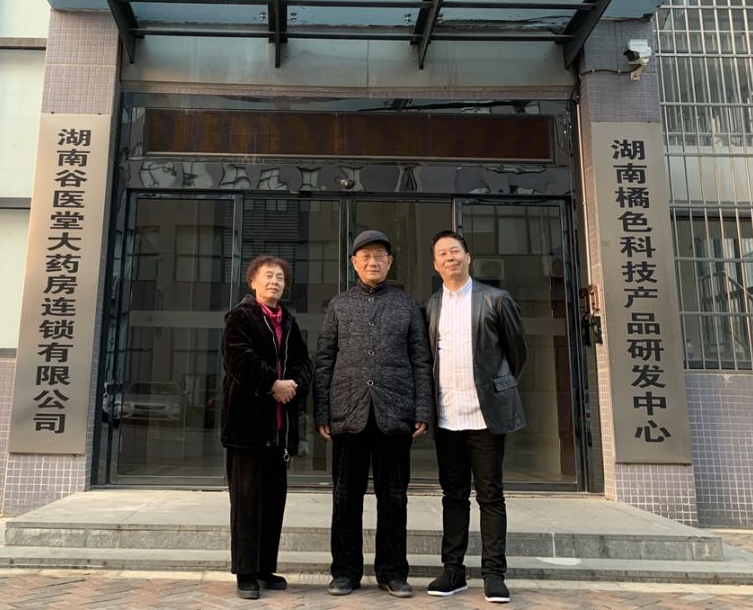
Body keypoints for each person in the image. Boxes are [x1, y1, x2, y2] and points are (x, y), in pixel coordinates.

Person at [314, 229, 433, 599]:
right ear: (354, 263)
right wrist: (323, 411)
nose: (373, 261)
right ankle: (345, 572)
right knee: (345, 498)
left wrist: (422, 408)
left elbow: (421, 360)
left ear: (390, 262)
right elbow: (324, 360)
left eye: (380, 255)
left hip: (394, 413)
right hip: (348, 413)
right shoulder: (338, 305)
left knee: (394, 498)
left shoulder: (407, 305)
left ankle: (392, 572)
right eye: (365, 256)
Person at [423, 230, 528, 604]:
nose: (449, 257)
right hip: (447, 417)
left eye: (455, 251)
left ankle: (494, 574)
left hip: (485, 417)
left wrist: (498, 389)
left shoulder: (495, 299)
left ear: (467, 257)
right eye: (442, 253)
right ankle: (453, 570)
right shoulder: (431, 306)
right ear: (435, 265)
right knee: (453, 496)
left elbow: (517, 353)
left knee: (490, 495)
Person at [221, 255, 313, 600]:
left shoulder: (288, 321)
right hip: (246, 431)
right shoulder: (240, 317)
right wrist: (273, 384)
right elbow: (238, 360)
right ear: (253, 282)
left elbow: (304, 362)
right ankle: (245, 572)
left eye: (280, 278)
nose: (275, 282)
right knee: (247, 503)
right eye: (268, 276)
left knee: (273, 502)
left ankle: (264, 568)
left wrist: (294, 385)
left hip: (280, 431)